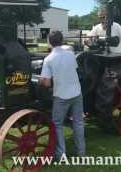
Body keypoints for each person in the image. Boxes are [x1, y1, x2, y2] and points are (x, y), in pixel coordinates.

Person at [40, 31, 86, 160]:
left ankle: (60, 155)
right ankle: (81, 152)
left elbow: (47, 83)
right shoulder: (71, 54)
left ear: (49, 42)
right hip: (77, 92)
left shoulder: (48, 59)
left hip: (61, 96)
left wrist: (40, 80)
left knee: (57, 124)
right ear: (62, 40)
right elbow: (73, 66)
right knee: (78, 122)